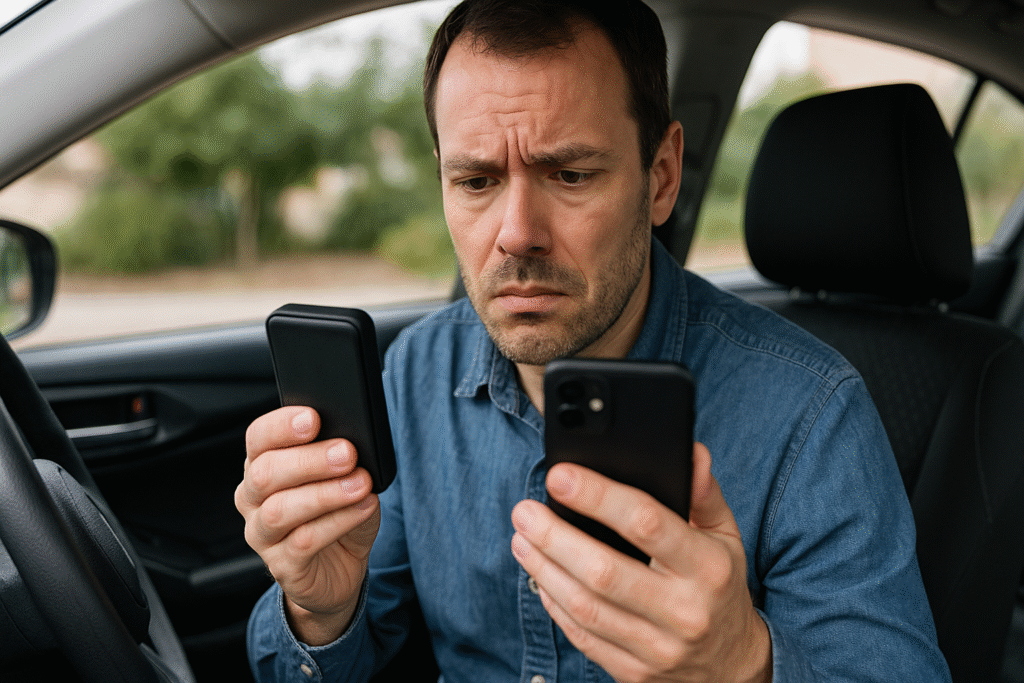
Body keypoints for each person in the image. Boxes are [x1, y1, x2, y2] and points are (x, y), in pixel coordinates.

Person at [236, 1, 951, 681]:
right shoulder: (416, 371)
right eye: (477, 180)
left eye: (570, 174)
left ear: (661, 177)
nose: (516, 232)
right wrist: (320, 611)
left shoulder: (810, 411)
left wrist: (744, 664)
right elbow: (352, 658)